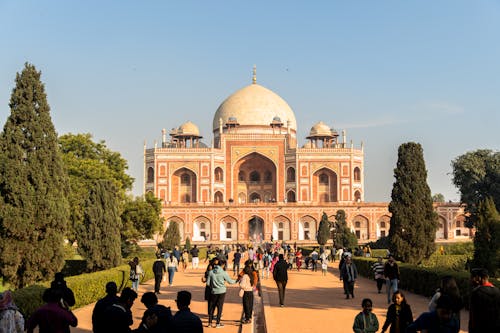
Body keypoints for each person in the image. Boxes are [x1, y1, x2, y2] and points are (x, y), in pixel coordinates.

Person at [206, 260, 237, 328]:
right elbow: (230, 282)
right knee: (219, 307)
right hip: (222, 291)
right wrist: (237, 280)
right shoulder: (224, 273)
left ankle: (210, 323)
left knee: (212, 307)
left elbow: (208, 283)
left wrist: (213, 286)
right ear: (223, 265)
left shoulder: (211, 272)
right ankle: (217, 323)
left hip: (213, 291)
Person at [468, 267, 500, 333]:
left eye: (472, 277)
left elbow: (474, 317)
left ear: (478, 278)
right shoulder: (497, 291)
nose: (470, 280)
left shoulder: (476, 293)